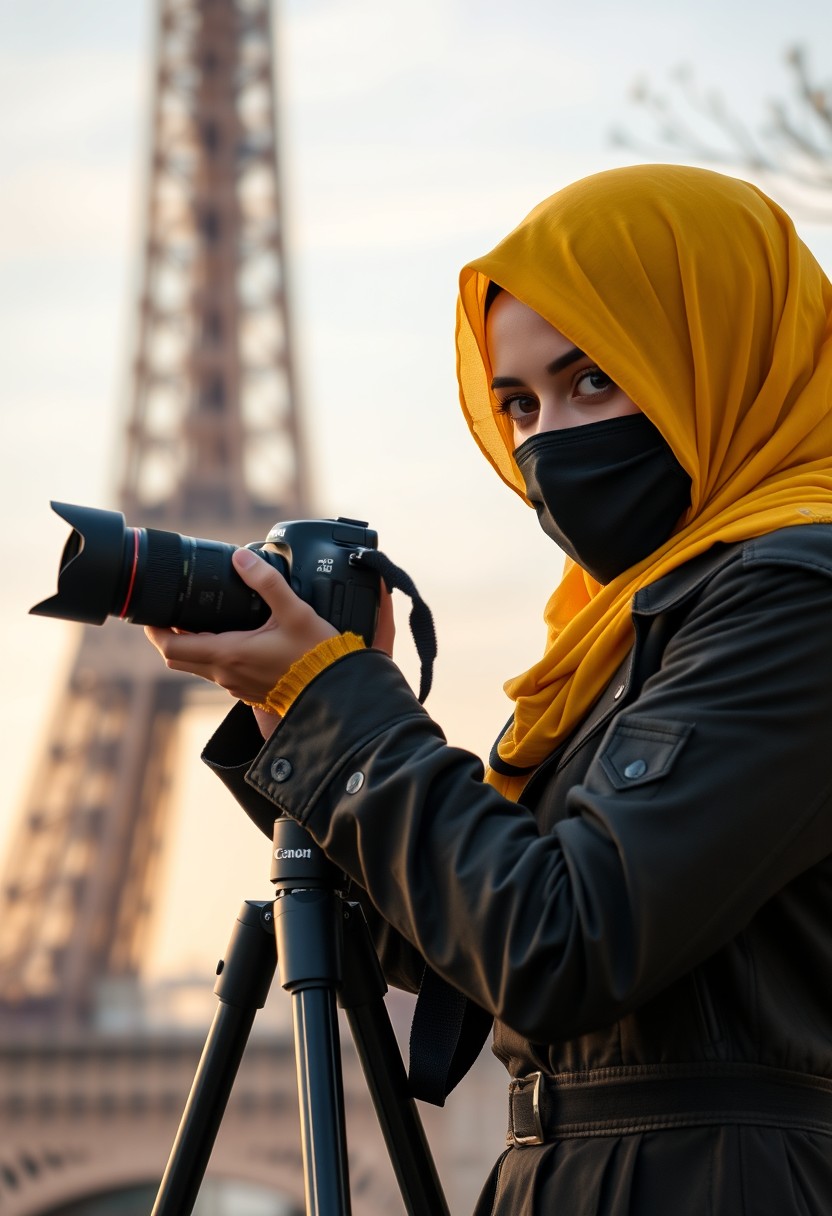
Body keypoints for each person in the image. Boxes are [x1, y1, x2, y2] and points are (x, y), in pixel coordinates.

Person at [146, 163, 832, 1214]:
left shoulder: (796, 605)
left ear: (723, 355)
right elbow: (471, 957)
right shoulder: (603, 648)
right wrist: (297, 711)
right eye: (516, 402)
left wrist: (346, 713)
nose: (547, 438)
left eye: (592, 379)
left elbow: (562, 946)